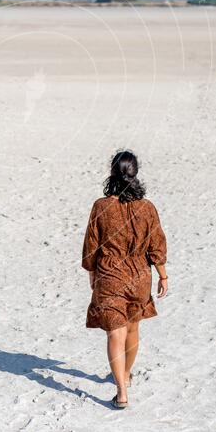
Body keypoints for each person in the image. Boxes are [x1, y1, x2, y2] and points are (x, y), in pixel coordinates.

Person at [82, 150, 168, 409]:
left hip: (110, 277)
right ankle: (126, 375)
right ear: (136, 173)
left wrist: (93, 274)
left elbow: (91, 247)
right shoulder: (147, 208)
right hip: (139, 277)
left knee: (114, 335)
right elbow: (157, 246)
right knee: (132, 328)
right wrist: (163, 276)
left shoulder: (101, 206)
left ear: (113, 172)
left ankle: (121, 392)